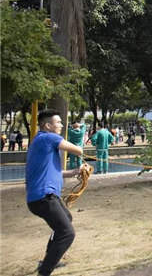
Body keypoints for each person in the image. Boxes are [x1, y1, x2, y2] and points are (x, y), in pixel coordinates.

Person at [26, 109, 90, 276]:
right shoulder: (48, 137)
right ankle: (45, 271)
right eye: (59, 122)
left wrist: (75, 171)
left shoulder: (40, 141)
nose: (62, 125)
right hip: (44, 197)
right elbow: (79, 150)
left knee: (65, 220)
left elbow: (54, 172)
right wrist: (81, 133)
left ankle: (49, 259)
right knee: (67, 232)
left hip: (41, 197)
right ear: (48, 125)